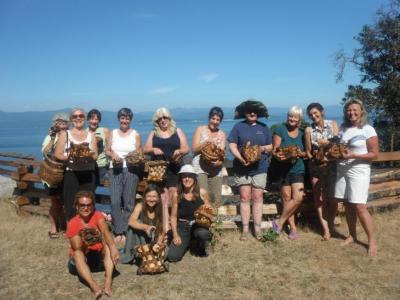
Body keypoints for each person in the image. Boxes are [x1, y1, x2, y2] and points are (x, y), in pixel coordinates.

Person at [334, 98, 379, 256]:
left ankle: (372, 241)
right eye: (348, 110)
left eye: (354, 110)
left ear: (361, 112)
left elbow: (375, 154)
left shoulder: (367, 129)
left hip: (359, 170)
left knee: (360, 206)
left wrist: (353, 155)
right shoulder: (343, 129)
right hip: (342, 169)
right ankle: (352, 235)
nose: (351, 113)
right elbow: (339, 149)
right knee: (347, 204)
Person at [228, 100, 272, 241]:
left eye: (254, 111)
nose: (252, 113)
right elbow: (232, 145)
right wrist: (240, 157)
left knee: (258, 198)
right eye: (249, 111)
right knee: (244, 198)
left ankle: (257, 229)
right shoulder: (238, 127)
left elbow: (271, 146)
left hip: (260, 168)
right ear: (245, 113)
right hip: (242, 168)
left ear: (257, 113)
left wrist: (261, 149)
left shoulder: (264, 127)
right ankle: (246, 229)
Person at [144, 107, 190, 232]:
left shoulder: (177, 131)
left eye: (165, 118)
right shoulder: (154, 132)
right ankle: (165, 226)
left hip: (174, 167)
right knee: (163, 197)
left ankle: (173, 222)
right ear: (156, 121)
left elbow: (186, 148)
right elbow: (145, 149)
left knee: (173, 196)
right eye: (160, 119)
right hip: (159, 169)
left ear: (170, 118)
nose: (163, 120)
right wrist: (153, 149)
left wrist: (179, 151)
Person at [66, 190, 119, 299]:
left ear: (93, 206)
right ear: (76, 206)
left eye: (88, 205)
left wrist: (113, 248)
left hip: (97, 259)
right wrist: (86, 240)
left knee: (108, 246)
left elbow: (105, 231)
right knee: (77, 253)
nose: (86, 208)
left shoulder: (97, 215)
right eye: (82, 205)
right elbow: (77, 246)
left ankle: (108, 282)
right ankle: (94, 286)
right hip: (79, 263)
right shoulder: (73, 223)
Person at [105, 108, 141, 244]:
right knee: (114, 201)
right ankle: (118, 230)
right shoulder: (113, 133)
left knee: (129, 202)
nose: (125, 120)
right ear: (119, 119)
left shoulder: (135, 134)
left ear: (130, 120)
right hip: (115, 169)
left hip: (131, 170)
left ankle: (124, 231)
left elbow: (139, 152)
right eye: (122, 118)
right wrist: (113, 155)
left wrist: (133, 156)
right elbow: (107, 150)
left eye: (127, 118)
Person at [54, 108, 98, 222]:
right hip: (71, 173)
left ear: (85, 118)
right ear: (71, 119)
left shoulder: (91, 135)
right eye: (75, 116)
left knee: (89, 202)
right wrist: (71, 157)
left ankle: (88, 228)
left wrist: (86, 155)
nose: (78, 118)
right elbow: (57, 154)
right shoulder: (65, 134)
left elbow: (96, 155)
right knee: (70, 203)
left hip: (88, 173)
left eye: (81, 116)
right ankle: (73, 230)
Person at [304, 103, 339, 240]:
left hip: (332, 167)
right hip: (316, 168)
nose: (313, 116)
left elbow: (337, 144)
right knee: (319, 199)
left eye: (315, 113)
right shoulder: (308, 130)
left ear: (322, 112)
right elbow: (308, 151)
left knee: (333, 198)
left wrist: (327, 144)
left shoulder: (333, 124)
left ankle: (330, 225)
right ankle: (326, 230)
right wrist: (316, 162)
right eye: (311, 114)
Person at [271, 106, 305, 240]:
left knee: (298, 197)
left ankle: (279, 222)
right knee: (286, 198)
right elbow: (275, 150)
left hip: (297, 168)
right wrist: (280, 156)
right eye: (290, 116)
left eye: (295, 117)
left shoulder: (302, 133)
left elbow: (305, 152)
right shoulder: (280, 129)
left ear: (299, 119)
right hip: (282, 169)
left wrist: (298, 154)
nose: (292, 118)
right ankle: (293, 229)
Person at [168, 164, 212, 261]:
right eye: (184, 176)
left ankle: (198, 244)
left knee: (203, 234)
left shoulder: (202, 192)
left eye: (190, 176)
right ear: (181, 178)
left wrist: (207, 211)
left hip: (199, 225)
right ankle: (187, 242)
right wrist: (175, 235)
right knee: (172, 257)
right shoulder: (176, 194)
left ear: (194, 178)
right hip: (183, 226)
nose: (187, 179)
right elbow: (174, 216)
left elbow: (210, 213)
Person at [120, 183, 166, 264]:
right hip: (140, 239)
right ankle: (139, 253)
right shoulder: (140, 206)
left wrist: (158, 244)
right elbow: (131, 221)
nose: (151, 199)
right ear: (144, 197)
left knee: (165, 251)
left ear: (158, 198)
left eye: (154, 196)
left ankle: (147, 254)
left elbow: (162, 229)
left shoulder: (161, 209)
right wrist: (146, 227)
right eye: (149, 196)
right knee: (137, 222)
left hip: (153, 240)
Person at [41, 112, 69, 238]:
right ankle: (53, 228)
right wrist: (52, 138)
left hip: (66, 174)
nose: (62, 125)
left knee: (65, 202)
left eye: (64, 123)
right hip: (52, 175)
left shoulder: (70, 136)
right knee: (55, 202)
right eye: (59, 123)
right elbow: (45, 152)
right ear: (55, 125)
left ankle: (63, 225)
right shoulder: (50, 136)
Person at [192, 107, 226, 205]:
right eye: (213, 118)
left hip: (215, 169)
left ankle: (214, 220)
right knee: (203, 197)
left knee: (216, 200)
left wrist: (218, 162)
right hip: (199, 168)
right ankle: (202, 219)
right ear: (209, 118)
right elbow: (194, 149)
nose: (215, 122)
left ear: (220, 121)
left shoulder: (222, 134)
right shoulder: (200, 129)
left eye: (218, 120)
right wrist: (205, 144)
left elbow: (222, 155)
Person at [87, 109, 110, 185]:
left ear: (99, 121)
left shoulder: (104, 131)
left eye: (96, 119)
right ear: (88, 119)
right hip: (88, 166)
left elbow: (110, 147)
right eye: (91, 119)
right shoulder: (84, 132)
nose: (93, 121)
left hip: (102, 166)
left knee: (102, 191)